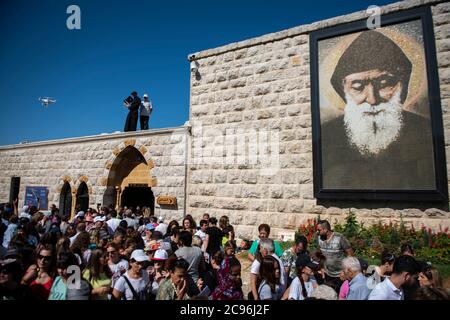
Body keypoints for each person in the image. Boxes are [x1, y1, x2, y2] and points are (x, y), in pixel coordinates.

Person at [322, 30, 435, 189]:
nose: (372, 99)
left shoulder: (424, 129)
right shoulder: (327, 134)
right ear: (343, 91)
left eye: (384, 83)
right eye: (358, 87)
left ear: (403, 86)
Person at [317, 220, 353, 293]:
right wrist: (321, 268)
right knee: (329, 294)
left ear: (326, 229)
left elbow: (350, 253)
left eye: (319, 230)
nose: (317, 232)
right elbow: (319, 254)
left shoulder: (339, 237)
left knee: (340, 294)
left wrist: (345, 271)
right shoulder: (319, 238)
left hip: (340, 274)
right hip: (327, 273)